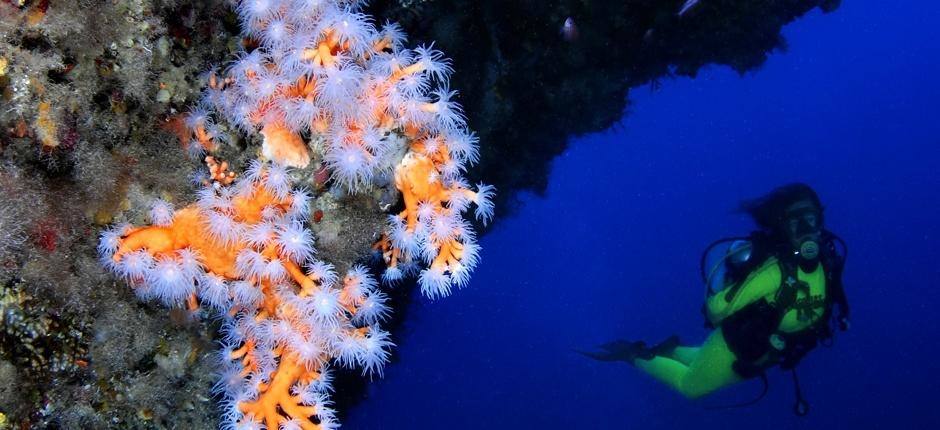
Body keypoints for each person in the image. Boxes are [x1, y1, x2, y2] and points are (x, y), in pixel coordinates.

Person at [580, 183, 850, 411]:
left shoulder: (828, 263)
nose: (805, 229)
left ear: (820, 220)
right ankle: (632, 354)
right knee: (691, 387)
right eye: (795, 223)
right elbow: (716, 309)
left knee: (701, 361)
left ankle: (671, 349)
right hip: (736, 346)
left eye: (810, 219)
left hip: (764, 353)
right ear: (783, 228)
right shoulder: (774, 272)